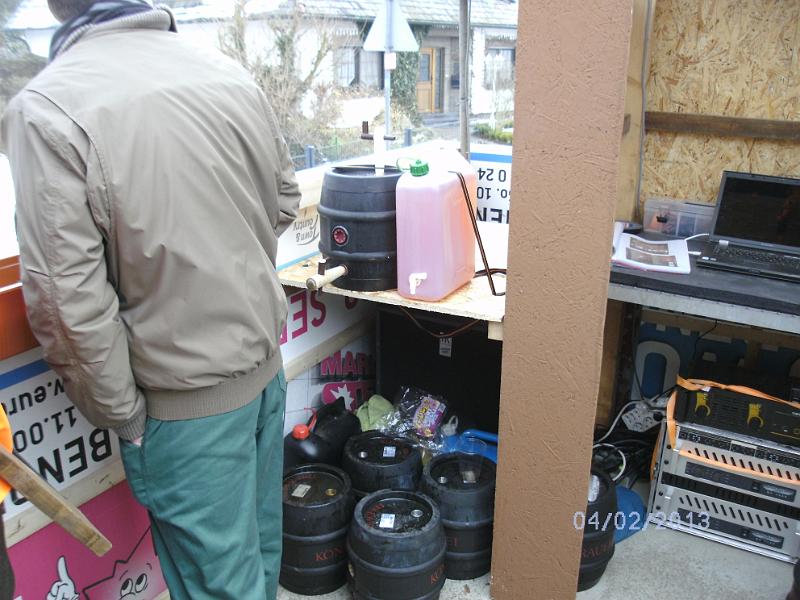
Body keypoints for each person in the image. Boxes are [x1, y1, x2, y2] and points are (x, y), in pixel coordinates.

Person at [1, 0, 301, 598]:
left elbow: (66, 307)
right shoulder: (226, 73)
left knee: (222, 585)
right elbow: (286, 200)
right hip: (264, 375)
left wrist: (126, 419)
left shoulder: (48, 108)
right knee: (261, 559)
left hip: (183, 410)